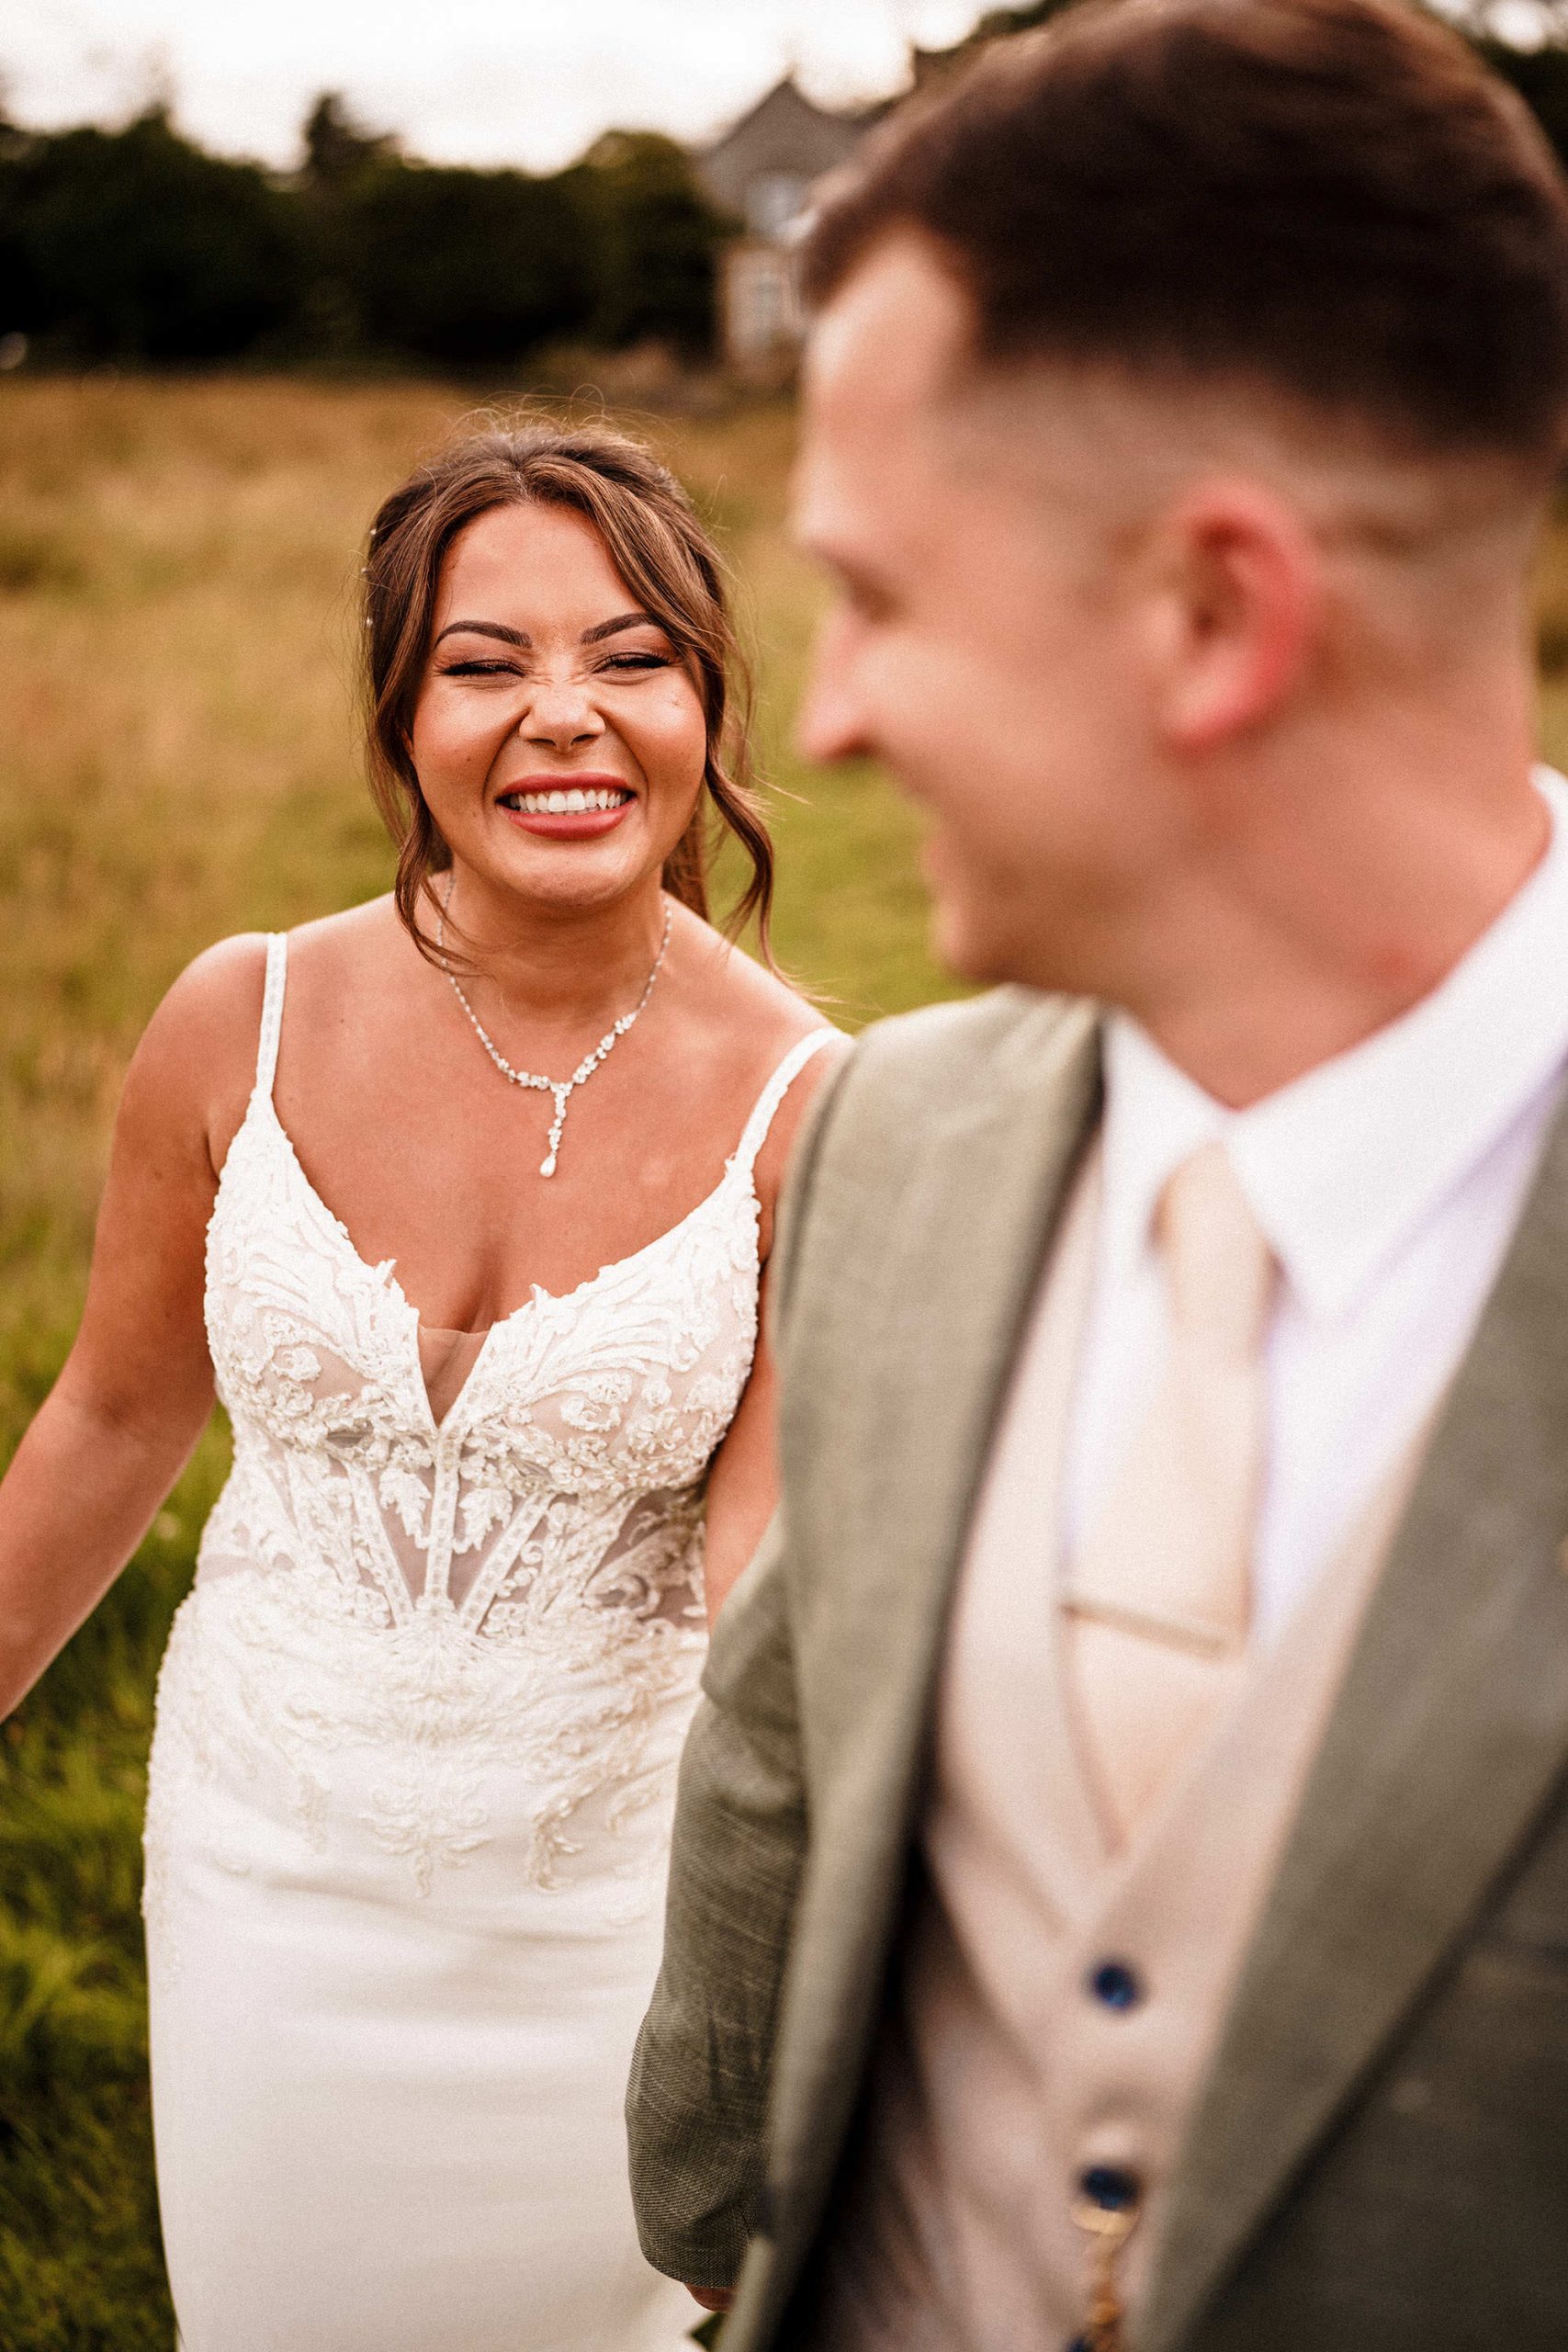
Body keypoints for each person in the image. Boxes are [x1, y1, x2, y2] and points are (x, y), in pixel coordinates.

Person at [625, 3, 1568, 2346]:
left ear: (1210, 612)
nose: (815, 718)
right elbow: (785, 1745)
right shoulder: (898, 1133)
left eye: (878, 596)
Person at [0, 419, 840, 2352]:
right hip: (266, 1869)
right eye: (484, 662)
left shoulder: (810, 1106)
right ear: (400, 714)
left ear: (706, 702)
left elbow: (763, 1602)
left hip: (602, 1930)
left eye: (630, 657)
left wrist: (773, 2018)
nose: (564, 715)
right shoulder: (241, 1016)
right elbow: (115, 1416)